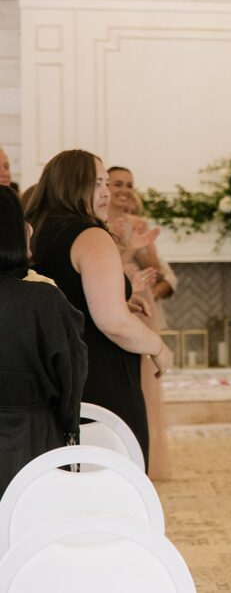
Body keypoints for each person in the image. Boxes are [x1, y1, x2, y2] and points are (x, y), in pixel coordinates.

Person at [25, 150, 173, 467]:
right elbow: (113, 322)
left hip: (51, 372)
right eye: (96, 184)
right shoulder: (90, 234)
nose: (105, 192)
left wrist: (120, 297)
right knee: (115, 476)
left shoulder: (37, 229)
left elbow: (63, 294)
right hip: (98, 372)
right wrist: (158, 347)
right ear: (71, 184)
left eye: (106, 183)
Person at [0, 185, 88, 498]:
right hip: (31, 441)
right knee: (30, 523)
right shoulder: (43, 300)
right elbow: (71, 376)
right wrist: (67, 426)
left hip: (29, 430)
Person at [107, 167, 177, 479]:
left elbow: (156, 268)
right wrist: (127, 249)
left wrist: (141, 246)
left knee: (144, 377)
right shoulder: (95, 222)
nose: (124, 190)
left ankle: (148, 456)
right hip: (111, 297)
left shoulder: (138, 223)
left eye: (129, 185)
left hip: (140, 300)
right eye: (117, 184)